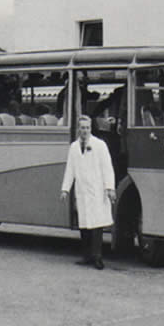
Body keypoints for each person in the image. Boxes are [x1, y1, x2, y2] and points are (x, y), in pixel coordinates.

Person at [60, 115, 116, 270]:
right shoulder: (73, 147)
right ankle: (86, 256)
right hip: (82, 191)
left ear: (91, 128)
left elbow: (107, 168)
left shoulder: (100, 145)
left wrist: (109, 188)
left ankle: (97, 257)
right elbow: (70, 169)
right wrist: (65, 189)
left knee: (97, 225)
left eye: (87, 128)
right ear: (78, 129)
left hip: (97, 190)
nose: (85, 131)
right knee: (84, 224)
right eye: (82, 128)